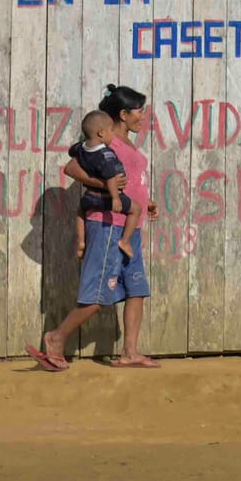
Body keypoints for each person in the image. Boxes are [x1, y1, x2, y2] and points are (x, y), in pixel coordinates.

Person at [31, 85, 155, 371]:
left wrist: (146, 202)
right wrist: (105, 186)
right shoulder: (106, 142)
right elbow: (72, 169)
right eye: (140, 111)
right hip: (108, 225)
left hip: (130, 228)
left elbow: (130, 181)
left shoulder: (125, 143)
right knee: (99, 294)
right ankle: (55, 338)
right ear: (123, 114)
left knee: (136, 289)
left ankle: (130, 353)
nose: (143, 117)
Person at [66, 110, 131, 261]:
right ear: (101, 133)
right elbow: (110, 177)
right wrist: (115, 197)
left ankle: (81, 241)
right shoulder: (106, 154)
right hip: (106, 197)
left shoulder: (81, 148)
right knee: (136, 209)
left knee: (80, 211)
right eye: (111, 131)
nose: (113, 135)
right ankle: (126, 240)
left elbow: (71, 151)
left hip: (89, 195)